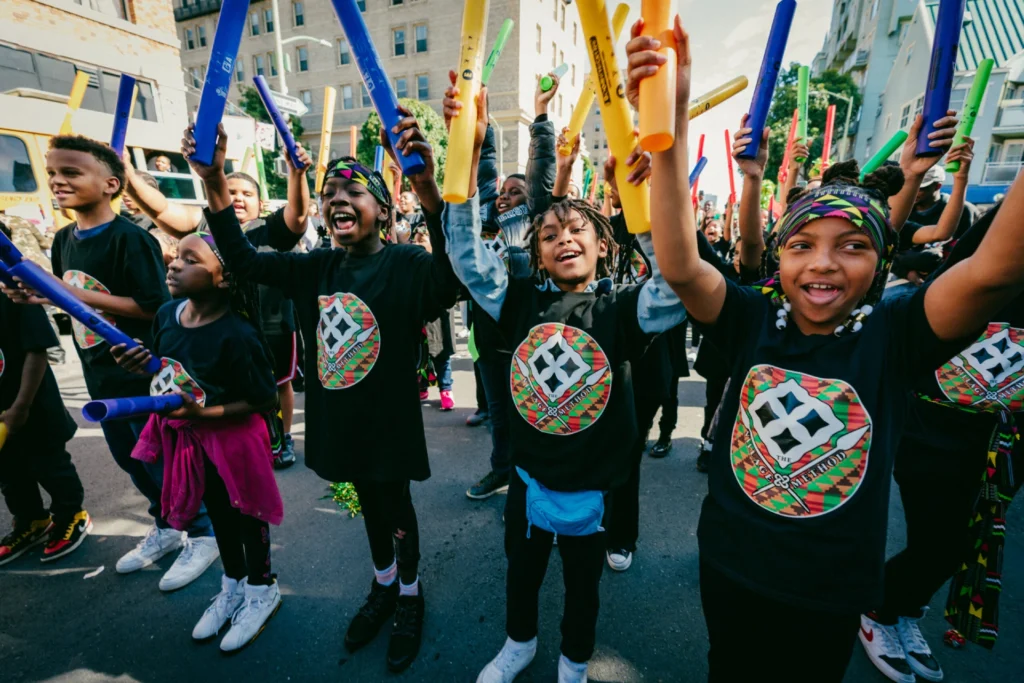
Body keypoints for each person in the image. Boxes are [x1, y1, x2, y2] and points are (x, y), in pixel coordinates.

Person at [629, 16, 1024, 682]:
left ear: (881, 260)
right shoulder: (752, 317)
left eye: (853, 245)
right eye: (803, 245)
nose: (825, 264)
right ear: (779, 260)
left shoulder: (898, 335)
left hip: (833, 586)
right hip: (729, 561)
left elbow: (995, 270)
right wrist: (667, 120)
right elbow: (679, 261)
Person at [184, 110, 456, 673]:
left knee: (394, 503)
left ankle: (409, 593)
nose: (338, 197)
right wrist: (213, 183)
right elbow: (241, 260)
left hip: (389, 420)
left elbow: (450, 281)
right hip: (339, 419)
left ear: (382, 208)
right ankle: (382, 583)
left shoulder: (405, 263)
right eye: (330, 189)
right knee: (366, 504)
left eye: (354, 189)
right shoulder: (315, 268)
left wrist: (430, 192)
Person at [444, 85, 686, 683]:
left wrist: (642, 204)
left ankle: (574, 660)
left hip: (596, 487)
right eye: (549, 235)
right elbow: (469, 257)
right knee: (521, 572)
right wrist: (465, 157)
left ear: (604, 246)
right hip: (530, 481)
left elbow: (677, 285)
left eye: (577, 230)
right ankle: (518, 644)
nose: (563, 239)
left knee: (582, 585)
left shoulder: (624, 310)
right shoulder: (518, 298)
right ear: (539, 253)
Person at [1, 135, 218, 591]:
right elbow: (77, 308)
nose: (58, 181)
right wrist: (37, 295)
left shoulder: (129, 238)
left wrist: (66, 292)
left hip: (140, 376)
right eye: (54, 173)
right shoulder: (63, 240)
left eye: (72, 173)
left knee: (161, 461)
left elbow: (152, 306)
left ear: (110, 184)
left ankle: (203, 533)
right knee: (129, 462)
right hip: (99, 375)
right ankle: (166, 526)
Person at [858, 199, 1018, 683]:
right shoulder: (998, 237)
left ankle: (906, 608)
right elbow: (972, 271)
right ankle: (880, 610)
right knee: (942, 541)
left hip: (1004, 429)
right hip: (940, 417)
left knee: (966, 537)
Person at [110, 230, 284, 652]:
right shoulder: (167, 315)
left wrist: (202, 414)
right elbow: (168, 371)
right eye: (177, 255)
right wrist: (138, 366)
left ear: (223, 278)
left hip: (235, 439)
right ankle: (233, 584)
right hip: (192, 440)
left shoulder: (239, 334)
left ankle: (263, 589)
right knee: (220, 515)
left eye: (191, 259)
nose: (174, 263)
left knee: (247, 513)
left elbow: (263, 398)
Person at [122, 143, 313, 469]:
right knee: (236, 392)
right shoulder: (204, 226)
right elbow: (161, 209)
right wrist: (124, 170)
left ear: (260, 202)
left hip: (271, 325)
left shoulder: (269, 230)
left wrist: (298, 174)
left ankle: (281, 437)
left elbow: (298, 215)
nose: (238, 197)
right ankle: (239, 438)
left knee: (278, 385)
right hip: (218, 327)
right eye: (232, 190)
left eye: (246, 193)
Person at [452, 68, 561, 501]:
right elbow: (485, 175)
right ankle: (502, 471)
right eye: (503, 193)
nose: (505, 196)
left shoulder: (532, 222)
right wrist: (483, 116)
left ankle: (533, 480)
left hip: (526, 333)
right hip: (488, 336)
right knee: (499, 412)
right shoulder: (485, 225)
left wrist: (540, 114)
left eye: (515, 192)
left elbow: (541, 174)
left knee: (530, 412)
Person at [0, 223, 89, 565]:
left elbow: (37, 351)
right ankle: (31, 520)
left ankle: (70, 515)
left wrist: (21, 407)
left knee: (48, 464)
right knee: (9, 472)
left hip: (31, 406)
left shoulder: (15, 295)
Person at [0, 210, 65, 364]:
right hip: (38, 270)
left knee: (26, 315)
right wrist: (50, 232)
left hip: (12, 273)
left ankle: (46, 355)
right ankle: (56, 355)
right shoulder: (20, 219)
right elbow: (45, 243)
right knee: (45, 312)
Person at [411, 226, 457, 410]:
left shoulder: (442, 263)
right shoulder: (412, 262)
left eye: (423, 240)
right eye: (416, 240)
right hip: (418, 317)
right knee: (419, 355)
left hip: (437, 317)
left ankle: (446, 389)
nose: (418, 244)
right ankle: (421, 387)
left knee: (440, 355)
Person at [909, 165, 978, 241]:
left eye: (919, 188)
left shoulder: (964, 210)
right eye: (909, 186)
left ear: (937, 186)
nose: (911, 192)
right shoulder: (901, 210)